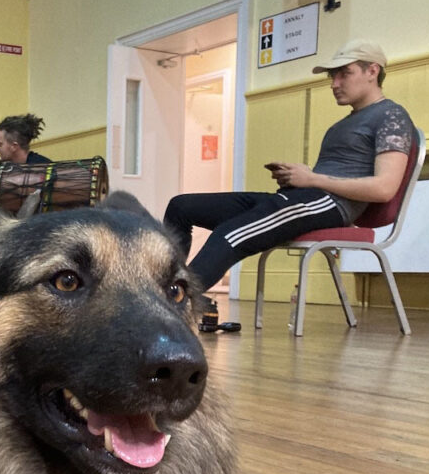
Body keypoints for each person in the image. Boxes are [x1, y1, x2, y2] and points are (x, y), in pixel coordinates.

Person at [163, 39, 414, 294]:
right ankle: (162, 287)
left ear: (372, 71)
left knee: (231, 234)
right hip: (303, 197)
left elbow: (384, 188)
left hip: (330, 205)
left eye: (344, 74)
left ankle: (174, 302)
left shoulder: (391, 115)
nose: (334, 84)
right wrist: (298, 176)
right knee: (181, 207)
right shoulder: (343, 124)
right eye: (332, 76)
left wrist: (312, 179)